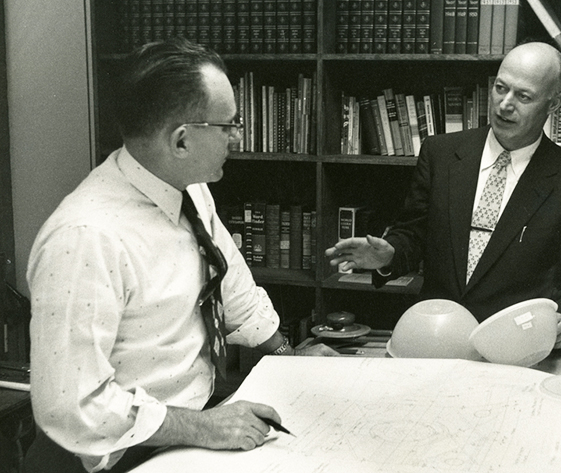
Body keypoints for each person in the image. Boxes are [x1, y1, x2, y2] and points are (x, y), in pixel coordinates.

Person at [24, 37, 336, 473]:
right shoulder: (86, 238)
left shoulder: (189, 190)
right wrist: (205, 428)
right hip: (115, 456)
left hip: (187, 431)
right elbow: (74, 407)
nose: (238, 136)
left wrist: (290, 358)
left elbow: (233, 288)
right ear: (182, 140)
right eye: (228, 125)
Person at [327, 42, 561, 347]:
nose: (504, 104)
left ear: (553, 104)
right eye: (500, 88)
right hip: (435, 339)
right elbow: (413, 234)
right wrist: (389, 255)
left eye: (523, 96)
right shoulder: (440, 154)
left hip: (514, 349)